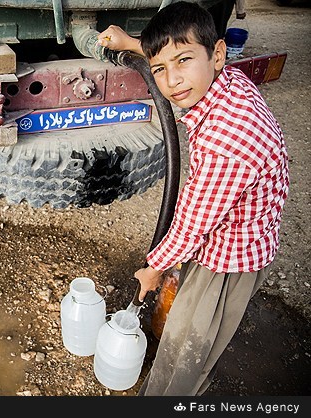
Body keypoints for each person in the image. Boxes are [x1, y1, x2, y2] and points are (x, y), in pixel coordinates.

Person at [97, 1, 289, 396]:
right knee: (188, 340)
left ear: (217, 54)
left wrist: (153, 269)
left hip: (228, 264)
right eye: (159, 69)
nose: (172, 81)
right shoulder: (226, 82)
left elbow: (192, 224)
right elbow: (177, 55)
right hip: (233, 238)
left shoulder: (228, 140)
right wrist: (134, 44)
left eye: (183, 61)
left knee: (185, 351)